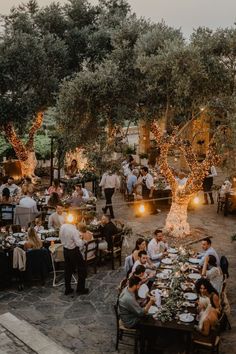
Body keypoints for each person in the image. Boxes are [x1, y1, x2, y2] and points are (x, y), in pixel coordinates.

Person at [59, 216, 88, 295]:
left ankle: (67, 288)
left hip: (65, 250)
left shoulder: (62, 226)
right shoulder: (74, 230)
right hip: (73, 251)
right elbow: (79, 244)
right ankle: (80, 289)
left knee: (68, 270)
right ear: (74, 221)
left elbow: (60, 237)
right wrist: (82, 239)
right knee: (82, 269)